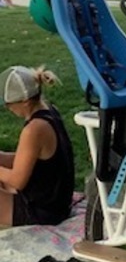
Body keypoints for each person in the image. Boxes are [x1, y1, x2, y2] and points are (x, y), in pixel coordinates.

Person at [0, 66, 75, 227]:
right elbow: (32, 160)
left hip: (43, 212)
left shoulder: (34, 129)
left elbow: (17, 181)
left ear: (26, 102)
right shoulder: (49, 110)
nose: (7, 108)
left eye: (9, 104)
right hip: (55, 202)